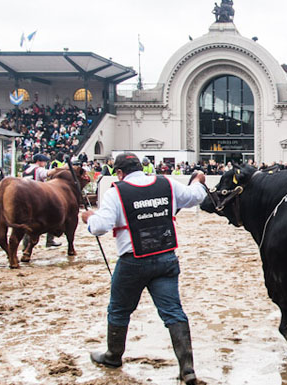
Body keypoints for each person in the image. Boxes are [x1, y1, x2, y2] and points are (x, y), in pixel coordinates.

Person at [81, 152, 207, 385]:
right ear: (142, 167)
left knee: (119, 310)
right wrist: (198, 180)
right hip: (166, 258)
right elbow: (195, 197)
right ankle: (187, 369)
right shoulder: (166, 183)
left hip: (133, 262)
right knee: (173, 312)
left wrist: (89, 218)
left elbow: (101, 227)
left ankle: (113, 357)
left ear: (119, 172)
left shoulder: (116, 192)